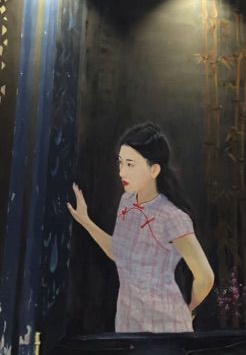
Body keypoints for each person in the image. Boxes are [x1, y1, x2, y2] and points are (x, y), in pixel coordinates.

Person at [67, 122, 214, 333]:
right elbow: (119, 252)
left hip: (166, 326)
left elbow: (205, 277)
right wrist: (85, 220)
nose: (121, 172)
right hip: (127, 321)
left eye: (130, 164)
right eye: (120, 163)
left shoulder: (172, 216)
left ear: (154, 169)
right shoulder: (127, 201)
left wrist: (188, 307)